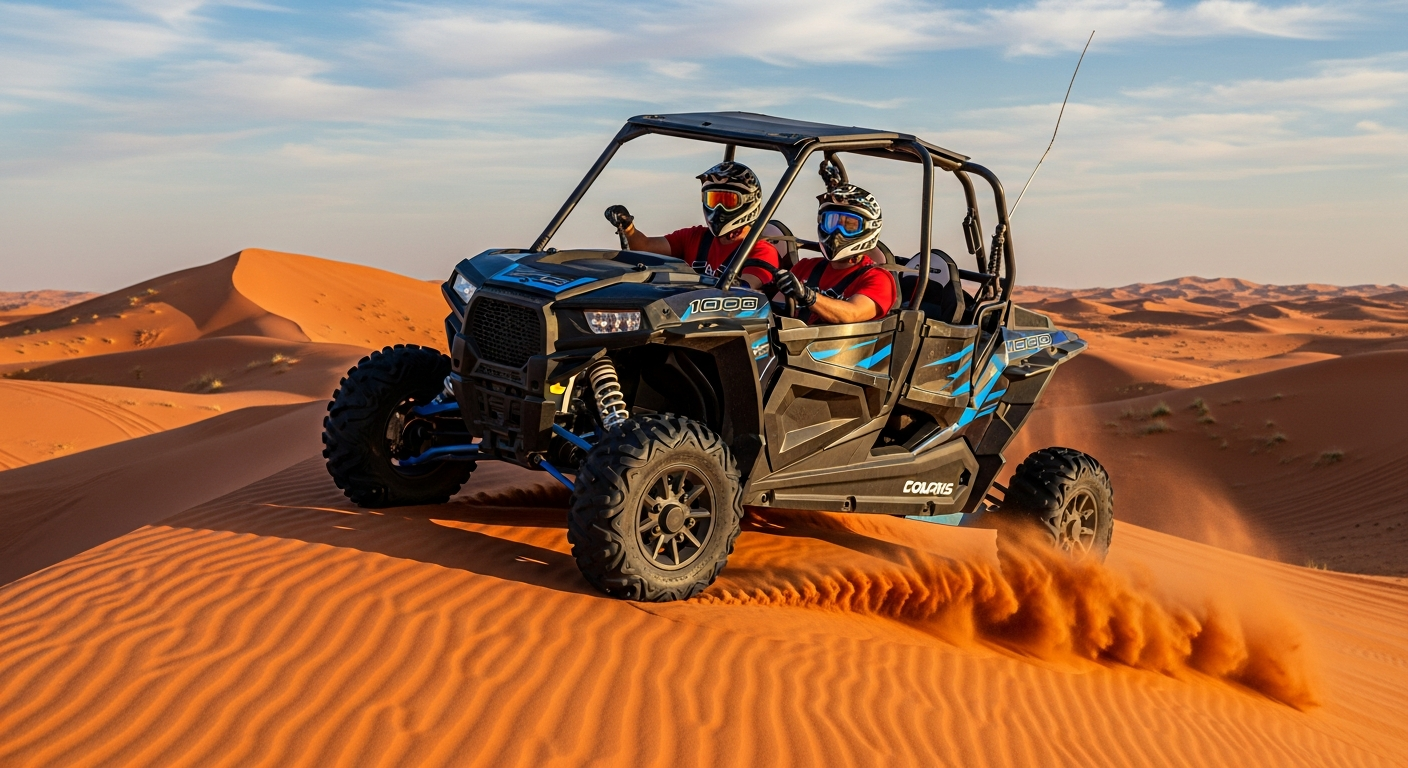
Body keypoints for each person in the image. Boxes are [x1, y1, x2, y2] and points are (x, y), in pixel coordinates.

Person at [603, 161, 780, 292]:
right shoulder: (695, 236)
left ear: (748, 202)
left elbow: (745, 289)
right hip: (684, 318)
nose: (718, 208)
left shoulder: (761, 250)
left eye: (727, 201)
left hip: (732, 327)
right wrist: (627, 227)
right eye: (713, 200)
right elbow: (644, 247)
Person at [773, 184, 897, 324]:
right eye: (832, 222)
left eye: (849, 225)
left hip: (843, 345)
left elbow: (852, 313)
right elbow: (776, 308)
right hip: (790, 342)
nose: (837, 232)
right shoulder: (805, 266)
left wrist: (808, 296)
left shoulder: (878, 278)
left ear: (869, 228)